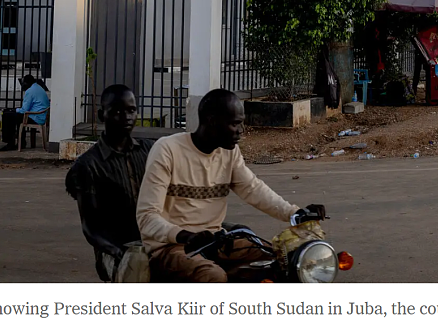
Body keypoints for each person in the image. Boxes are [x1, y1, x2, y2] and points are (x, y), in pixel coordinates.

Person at [136, 88, 323, 282]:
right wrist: (185, 235)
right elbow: (147, 217)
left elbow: (253, 189)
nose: (241, 131)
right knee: (213, 276)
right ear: (211, 120)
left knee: (283, 262)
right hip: (171, 247)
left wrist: (295, 213)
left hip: (217, 241)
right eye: (235, 124)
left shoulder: (228, 153)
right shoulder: (167, 150)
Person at [66, 85, 154, 282]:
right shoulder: (88, 165)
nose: (126, 117)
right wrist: (120, 252)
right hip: (115, 252)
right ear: (101, 115)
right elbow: (91, 228)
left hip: (156, 240)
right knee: (138, 266)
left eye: (131, 110)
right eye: (117, 111)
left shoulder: (150, 151)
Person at [0, 75, 49, 152]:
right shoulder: (38, 88)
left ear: (27, 83)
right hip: (40, 116)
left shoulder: (30, 91)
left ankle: (10, 143)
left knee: (7, 115)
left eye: (24, 83)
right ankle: (21, 142)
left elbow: (24, 110)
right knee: (16, 116)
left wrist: (14, 110)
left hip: (35, 117)